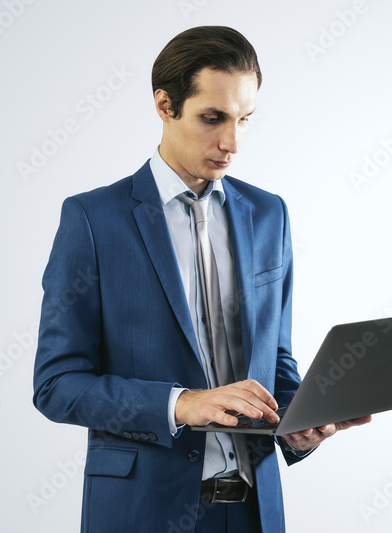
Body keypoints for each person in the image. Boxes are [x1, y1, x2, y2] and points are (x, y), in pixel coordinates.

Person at [32, 26, 369, 532]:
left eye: (243, 120)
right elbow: (57, 386)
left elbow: (275, 363)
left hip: (255, 511)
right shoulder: (93, 220)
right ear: (165, 105)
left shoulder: (268, 213)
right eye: (213, 118)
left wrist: (299, 423)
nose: (231, 142)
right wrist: (182, 404)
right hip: (143, 510)